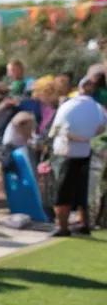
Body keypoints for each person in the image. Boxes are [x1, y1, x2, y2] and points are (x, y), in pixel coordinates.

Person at [46, 76, 107, 236]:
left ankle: (62, 226)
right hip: (86, 152)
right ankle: (84, 224)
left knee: (62, 191)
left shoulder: (68, 106)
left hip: (67, 152)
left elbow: (56, 130)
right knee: (82, 190)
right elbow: (102, 128)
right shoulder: (97, 107)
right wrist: (88, 138)